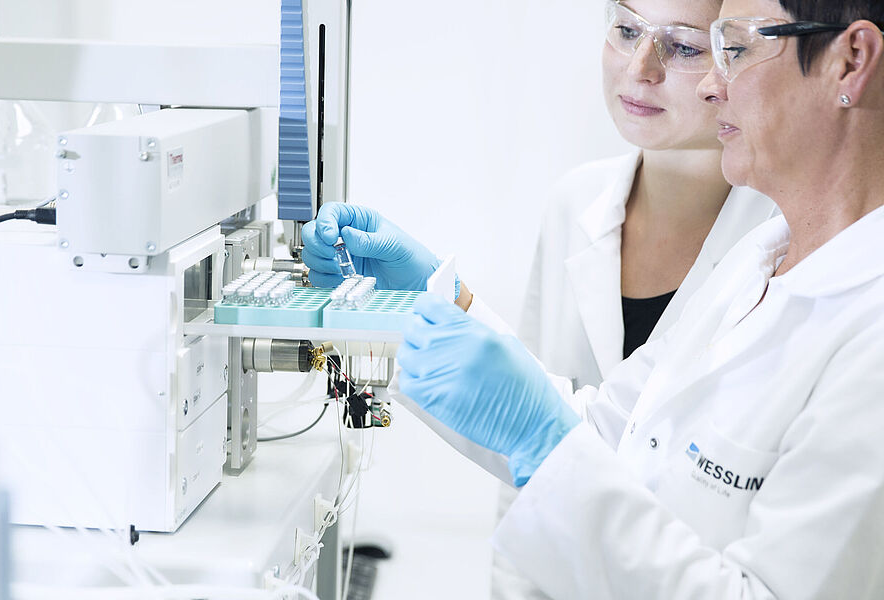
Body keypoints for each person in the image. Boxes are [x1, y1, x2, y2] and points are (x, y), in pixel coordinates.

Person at [303, 0, 884, 596]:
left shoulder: (870, 340)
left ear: (851, 60)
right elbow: (608, 437)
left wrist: (542, 441)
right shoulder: (761, 259)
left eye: (732, 47)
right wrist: (425, 300)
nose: (713, 83)